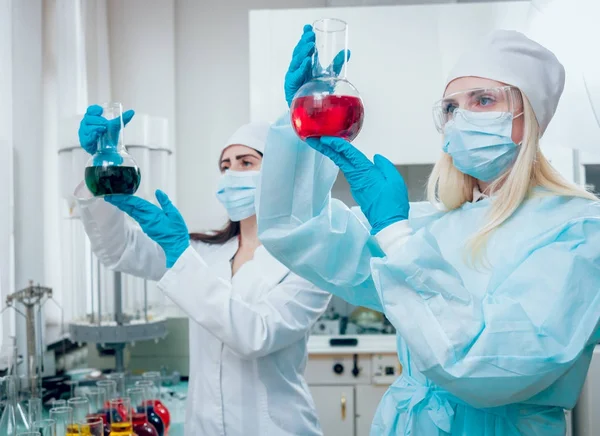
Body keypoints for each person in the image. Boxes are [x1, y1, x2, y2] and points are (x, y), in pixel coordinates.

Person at [257, 26, 600, 435]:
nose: (461, 118)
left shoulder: (576, 232)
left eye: (484, 100)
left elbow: (490, 366)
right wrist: (301, 128)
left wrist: (397, 235)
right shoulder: (438, 224)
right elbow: (297, 232)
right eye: (451, 108)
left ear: (530, 118)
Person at [75, 109, 331, 436]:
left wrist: (181, 257)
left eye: (246, 162)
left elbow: (255, 335)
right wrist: (98, 167)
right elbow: (118, 249)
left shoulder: (307, 263)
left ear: (280, 172)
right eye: (225, 166)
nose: (231, 174)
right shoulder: (203, 253)